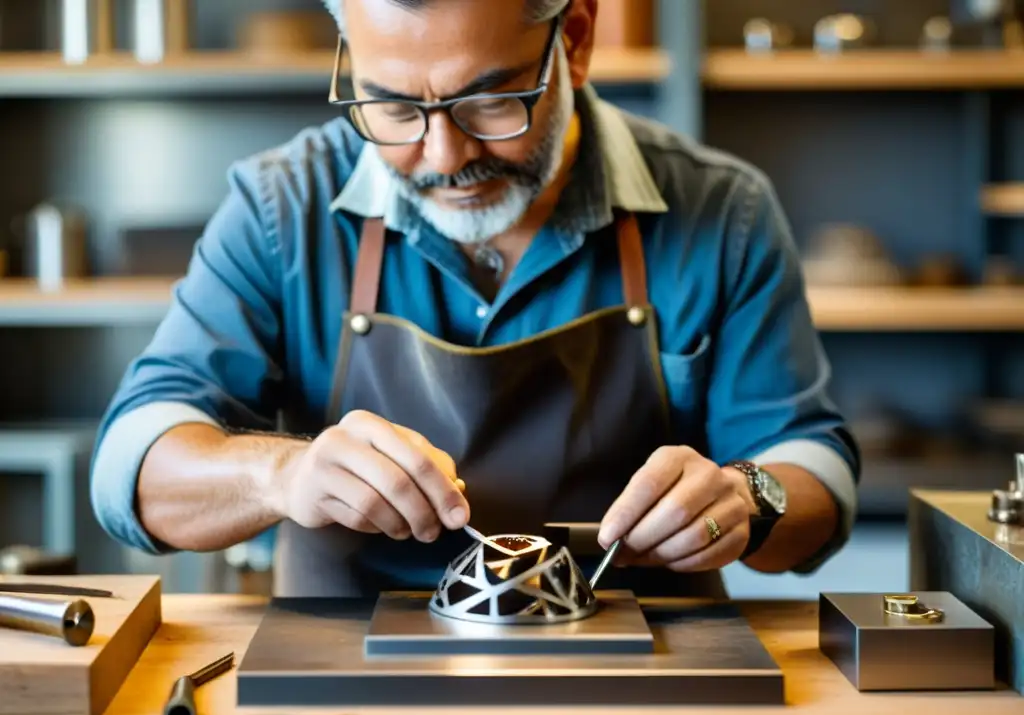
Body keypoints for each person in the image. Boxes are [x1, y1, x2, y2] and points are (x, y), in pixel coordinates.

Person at [89, 0, 860, 598]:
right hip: (350, 678)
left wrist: (752, 497)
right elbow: (131, 461)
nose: (443, 156)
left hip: (641, 669)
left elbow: (813, 464)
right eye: (393, 108)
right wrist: (279, 476)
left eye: (491, 102)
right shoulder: (279, 209)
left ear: (578, 40)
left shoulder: (723, 211)